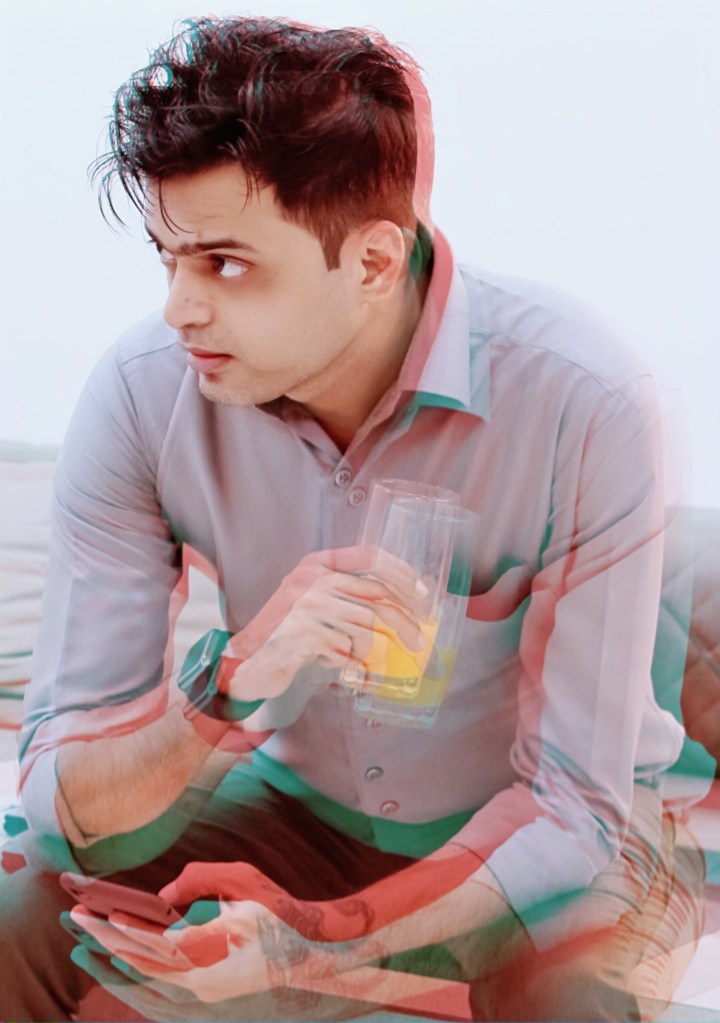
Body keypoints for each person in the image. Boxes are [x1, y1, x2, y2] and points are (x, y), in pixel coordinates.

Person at [0, 15, 705, 1023]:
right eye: (167, 259)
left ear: (374, 262)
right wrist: (229, 683)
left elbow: (571, 810)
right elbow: (60, 805)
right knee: (15, 901)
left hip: (567, 838)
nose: (179, 310)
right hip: (298, 805)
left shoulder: (582, 400)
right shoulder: (140, 396)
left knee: (573, 987)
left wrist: (320, 936)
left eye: (224, 264)